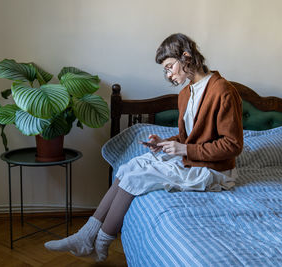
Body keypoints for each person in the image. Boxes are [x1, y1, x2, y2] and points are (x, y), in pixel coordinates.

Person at [44, 33, 243, 262]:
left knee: (138, 178)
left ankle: (101, 243)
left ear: (186, 57)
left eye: (170, 67)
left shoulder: (223, 91)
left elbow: (232, 144)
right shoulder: (186, 94)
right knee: (131, 166)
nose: (168, 75)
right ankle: (86, 235)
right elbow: (192, 136)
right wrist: (167, 142)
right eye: (165, 70)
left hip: (215, 170)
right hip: (194, 159)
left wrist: (185, 150)